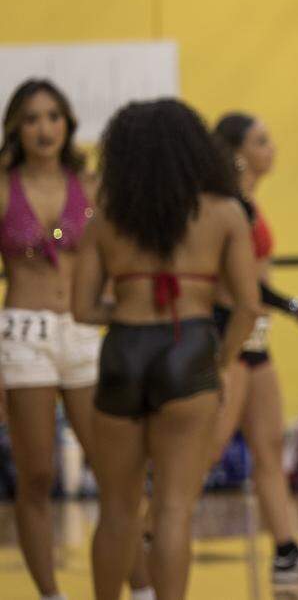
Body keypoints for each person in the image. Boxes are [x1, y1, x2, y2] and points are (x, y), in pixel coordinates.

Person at [73, 98, 259, 600]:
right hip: (190, 347)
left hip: (123, 350)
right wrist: (220, 362)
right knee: (174, 511)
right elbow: (247, 306)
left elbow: (82, 309)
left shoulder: (106, 219)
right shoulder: (224, 213)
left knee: (116, 510)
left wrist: (127, 310)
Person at [0, 79, 152, 600]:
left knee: (114, 472)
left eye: (53, 116)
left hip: (85, 333)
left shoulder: (91, 185)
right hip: (24, 334)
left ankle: (143, 588)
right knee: (37, 475)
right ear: (16, 128)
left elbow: (120, 256)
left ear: (67, 123)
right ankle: (50, 594)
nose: (44, 128)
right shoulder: (4, 187)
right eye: (31, 119)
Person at [210, 113, 298, 584]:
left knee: (268, 450)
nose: (272, 148)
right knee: (206, 449)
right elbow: (243, 284)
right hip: (230, 337)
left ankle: (286, 552)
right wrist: (296, 307)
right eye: (261, 141)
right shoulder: (230, 206)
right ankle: (148, 536)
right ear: (237, 153)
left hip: (257, 339)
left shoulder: (248, 203)